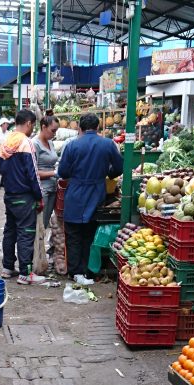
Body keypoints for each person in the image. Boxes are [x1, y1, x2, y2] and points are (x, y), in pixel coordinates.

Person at [57, 112, 123, 286]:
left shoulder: (72, 145)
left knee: (73, 235)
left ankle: (75, 272)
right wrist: (106, 173)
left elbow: (63, 172)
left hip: (76, 192)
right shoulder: (108, 144)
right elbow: (119, 167)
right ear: (98, 127)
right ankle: (87, 272)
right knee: (89, 234)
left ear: (80, 128)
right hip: (97, 192)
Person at [0, 109, 56, 286]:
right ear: (29, 123)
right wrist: (39, 196)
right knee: (26, 233)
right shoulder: (26, 143)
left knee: (10, 231)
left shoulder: (6, 141)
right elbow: (33, 174)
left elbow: (1, 170)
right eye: (32, 125)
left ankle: (7, 267)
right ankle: (25, 273)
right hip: (24, 196)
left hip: (9, 195)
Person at [32, 114, 61, 267]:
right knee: (39, 225)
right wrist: (53, 173)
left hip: (52, 188)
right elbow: (33, 172)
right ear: (43, 127)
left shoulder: (50, 142)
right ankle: (35, 260)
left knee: (45, 225)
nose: (54, 134)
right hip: (41, 190)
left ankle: (41, 258)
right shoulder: (34, 144)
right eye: (52, 130)